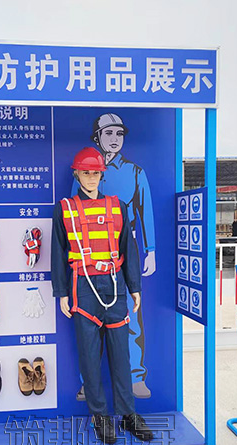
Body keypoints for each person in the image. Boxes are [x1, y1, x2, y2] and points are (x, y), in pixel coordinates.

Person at [52, 147, 153, 444]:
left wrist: (134, 287)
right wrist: (61, 293)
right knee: (89, 356)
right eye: (86, 172)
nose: (91, 178)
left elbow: (129, 250)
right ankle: (99, 416)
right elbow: (58, 252)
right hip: (82, 287)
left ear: (102, 175)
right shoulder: (65, 209)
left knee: (121, 354)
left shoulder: (118, 206)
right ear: (76, 174)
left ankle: (128, 414)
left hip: (114, 285)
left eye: (96, 173)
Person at [71, 113, 156, 399]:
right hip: (88, 256)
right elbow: (72, 214)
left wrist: (151, 251)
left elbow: (145, 212)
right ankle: (88, 382)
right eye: (108, 133)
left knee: (130, 316)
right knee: (89, 324)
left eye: (119, 134)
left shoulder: (135, 172)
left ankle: (136, 377)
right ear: (97, 137)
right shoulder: (84, 171)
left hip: (123, 248)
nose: (115, 139)